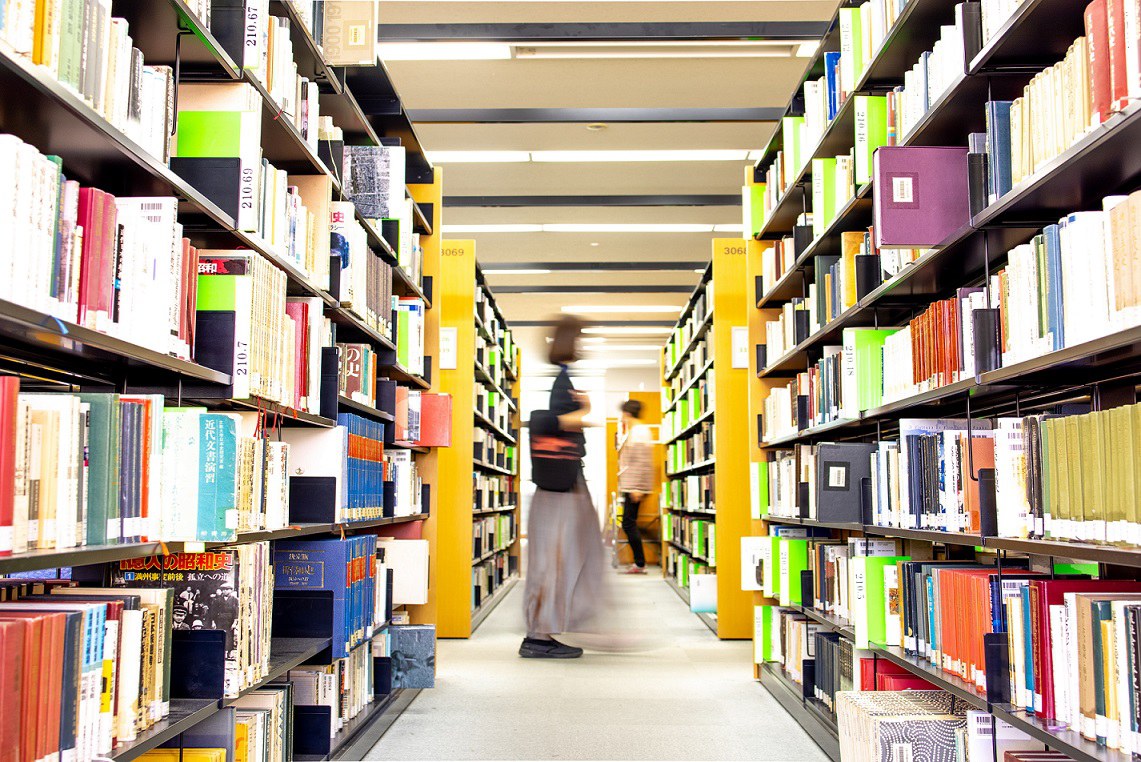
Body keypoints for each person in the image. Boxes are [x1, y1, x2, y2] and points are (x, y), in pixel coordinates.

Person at [520, 315, 607, 659]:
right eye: (580, 338)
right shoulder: (562, 380)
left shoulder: (563, 378)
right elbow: (554, 422)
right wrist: (585, 411)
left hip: (564, 482)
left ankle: (548, 629)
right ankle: (538, 636)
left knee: (566, 554)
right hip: (561, 486)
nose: (583, 344)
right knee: (555, 556)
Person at [617, 399, 654, 574]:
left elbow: (642, 462)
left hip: (635, 486)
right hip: (631, 485)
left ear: (627, 413)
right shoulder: (636, 431)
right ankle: (639, 563)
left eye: (623, 414)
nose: (622, 417)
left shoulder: (639, 432)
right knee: (629, 523)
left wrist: (637, 488)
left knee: (628, 523)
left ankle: (640, 564)